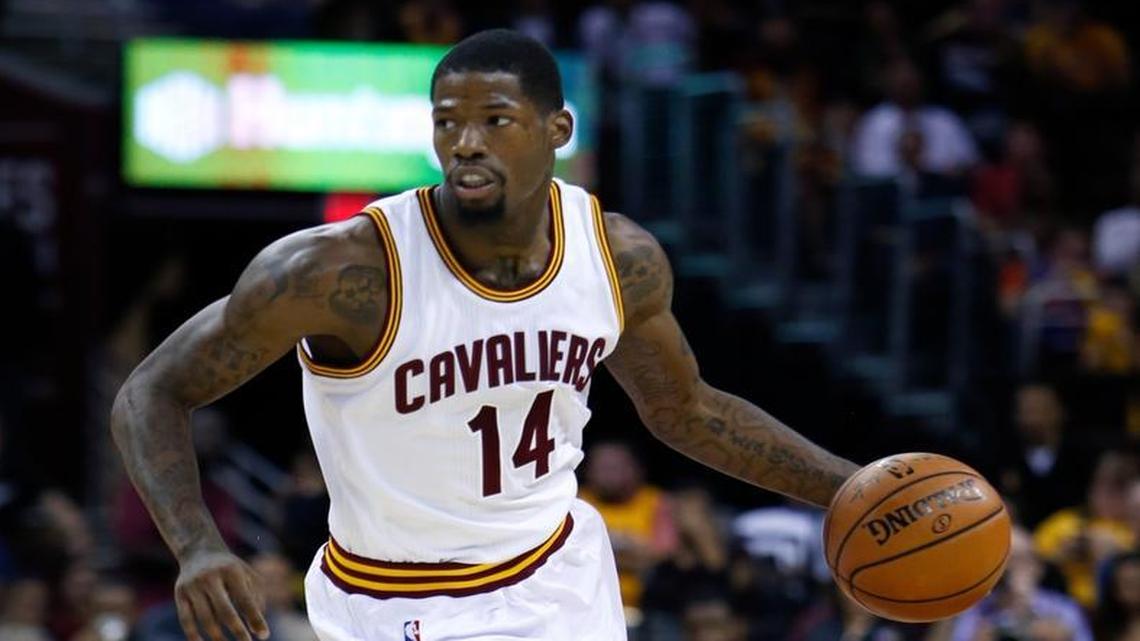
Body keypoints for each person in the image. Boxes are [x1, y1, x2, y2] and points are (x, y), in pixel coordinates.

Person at [110, 29, 858, 641]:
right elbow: (152, 390)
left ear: (557, 130)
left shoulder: (616, 257)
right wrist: (198, 543)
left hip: (561, 576)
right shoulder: (339, 270)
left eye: (495, 120)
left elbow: (688, 410)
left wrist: (848, 486)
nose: (465, 142)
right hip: (398, 596)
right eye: (447, 121)